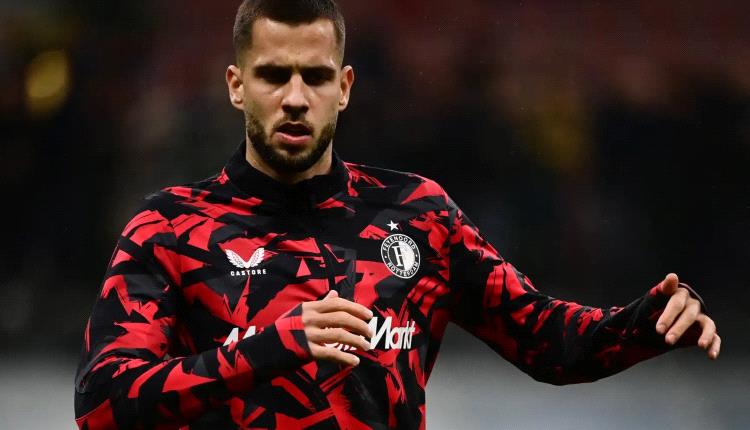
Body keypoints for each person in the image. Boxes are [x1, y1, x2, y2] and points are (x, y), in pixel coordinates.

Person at [73, 1, 720, 429]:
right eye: (273, 75)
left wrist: (645, 323)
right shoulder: (167, 228)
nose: (295, 98)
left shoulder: (418, 215)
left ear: (345, 88)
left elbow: (547, 341)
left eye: (315, 77)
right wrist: (276, 344)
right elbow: (102, 403)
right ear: (237, 86)